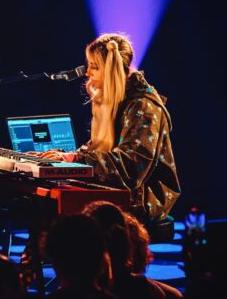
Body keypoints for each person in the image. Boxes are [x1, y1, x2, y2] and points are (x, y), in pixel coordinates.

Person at [34, 33, 180, 227]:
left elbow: (130, 167)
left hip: (142, 199)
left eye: (94, 67)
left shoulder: (143, 106)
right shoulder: (118, 101)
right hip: (117, 189)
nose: (87, 73)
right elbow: (99, 150)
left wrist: (76, 161)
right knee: (43, 197)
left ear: (112, 70)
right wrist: (65, 158)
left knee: (59, 211)